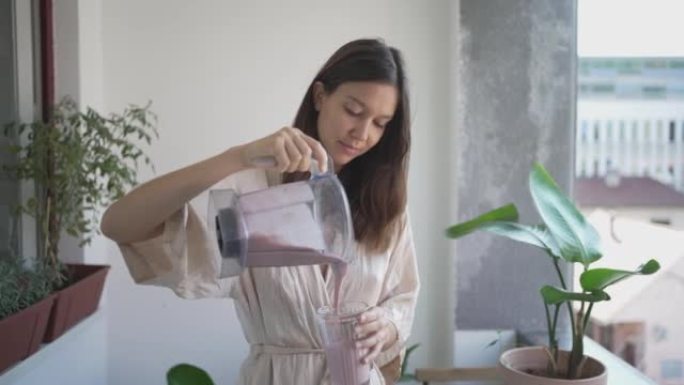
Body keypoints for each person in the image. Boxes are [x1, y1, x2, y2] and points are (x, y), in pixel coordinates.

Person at [101, 38, 419, 385]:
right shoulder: (254, 194)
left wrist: (386, 327)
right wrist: (238, 157)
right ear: (320, 97)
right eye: (354, 111)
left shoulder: (385, 204)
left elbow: (401, 298)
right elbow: (119, 224)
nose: (362, 133)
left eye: (380, 123)